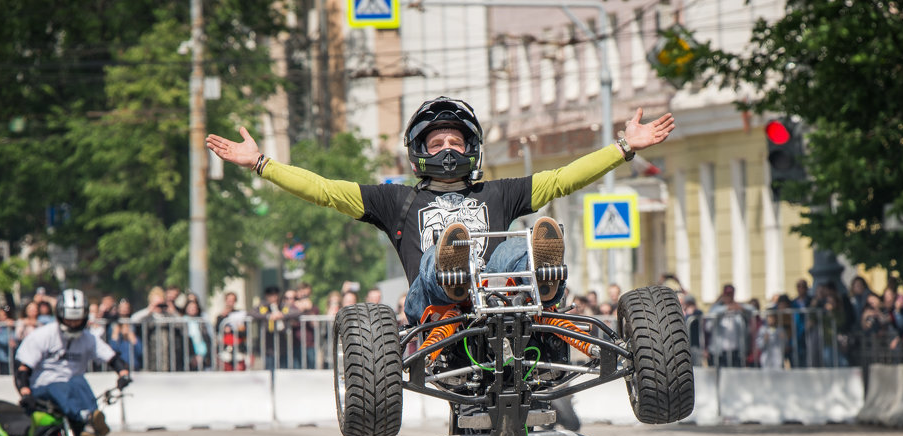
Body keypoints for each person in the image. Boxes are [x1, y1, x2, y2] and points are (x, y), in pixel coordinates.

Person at [206, 96, 674, 325]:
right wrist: (263, 165)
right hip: (434, 308)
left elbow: (561, 179)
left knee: (519, 249)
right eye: (438, 142)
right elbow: (325, 190)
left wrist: (622, 148)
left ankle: (543, 277)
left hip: (502, 307)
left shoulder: (499, 193)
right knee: (442, 254)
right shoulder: (396, 201)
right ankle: (452, 269)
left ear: (471, 149)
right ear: (418, 152)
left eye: (456, 141)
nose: (448, 148)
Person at [14, 289, 131, 436]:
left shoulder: (88, 339)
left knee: (78, 380)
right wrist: (25, 393)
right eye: (69, 320)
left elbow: (113, 358)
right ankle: (86, 417)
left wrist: (123, 375)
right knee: (60, 384)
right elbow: (23, 369)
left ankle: (92, 420)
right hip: (44, 387)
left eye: (78, 320)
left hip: (73, 387)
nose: (74, 324)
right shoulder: (42, 336)